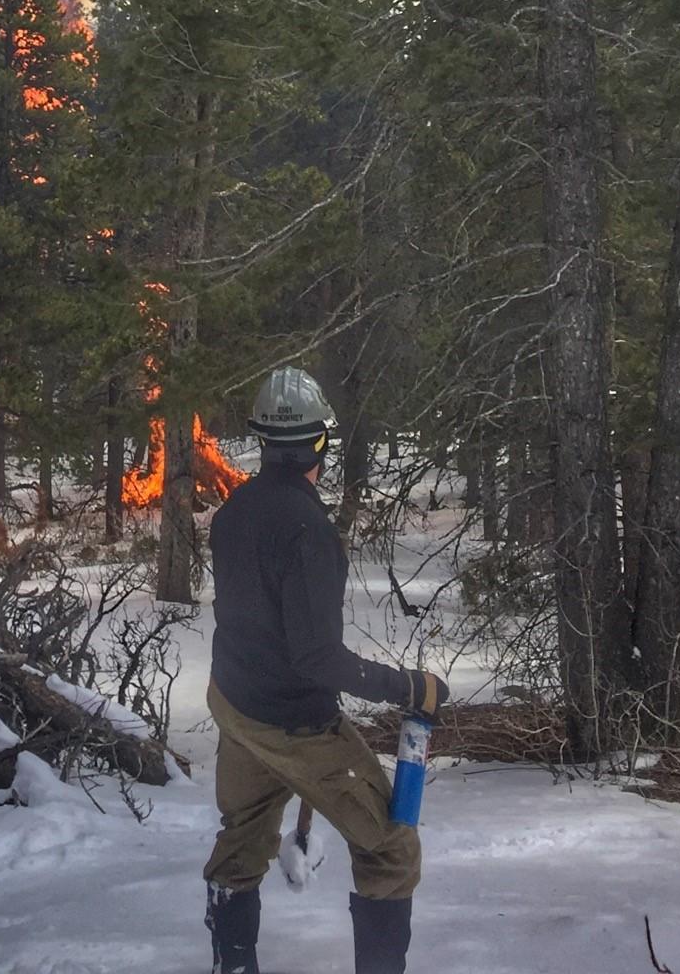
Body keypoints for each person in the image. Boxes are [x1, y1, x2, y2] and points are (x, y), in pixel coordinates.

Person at [203, 367, 448, 974]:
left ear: (264, 442)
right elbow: (316, 657)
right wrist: (409, 687)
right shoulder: (309, 531)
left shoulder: (235, 511)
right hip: (295, 724)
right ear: (322, 444)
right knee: (391, 854)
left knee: (241, 845)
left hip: (235, 705)